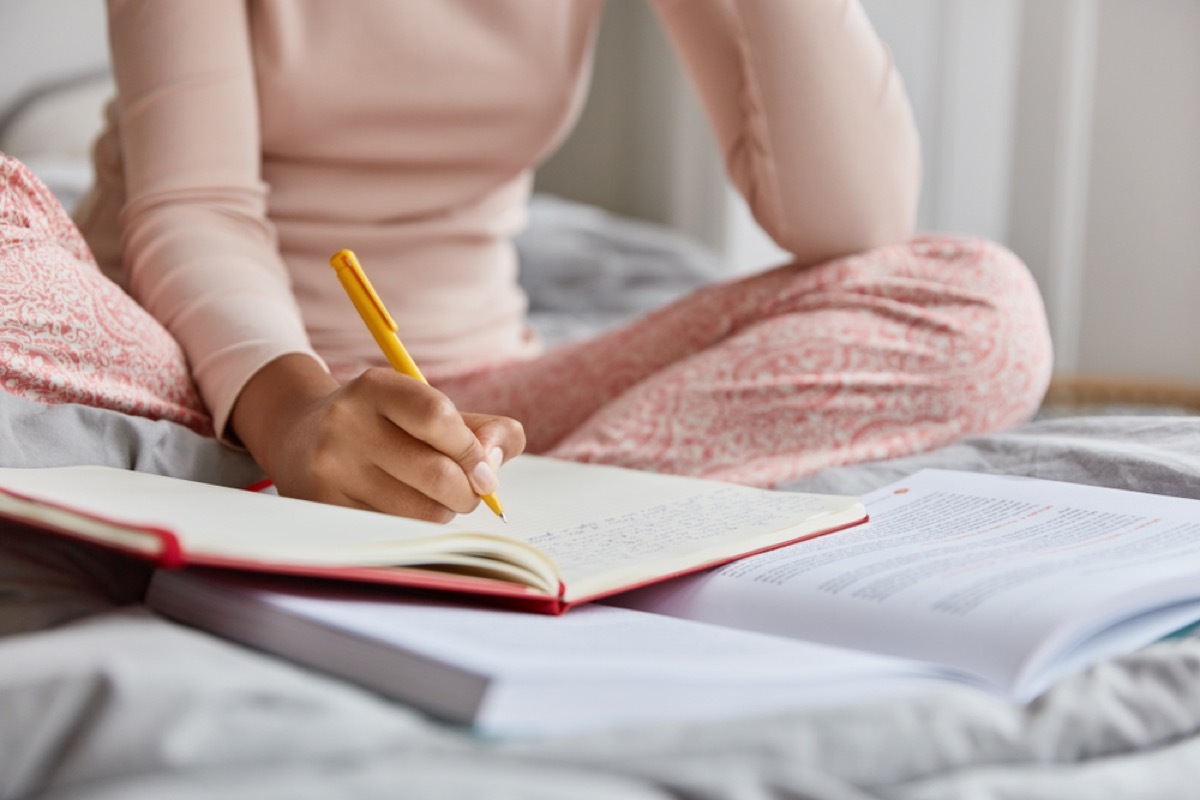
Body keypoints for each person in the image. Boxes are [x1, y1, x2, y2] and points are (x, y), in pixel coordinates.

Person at [76, 0, 1053, 522]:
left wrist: (467, 456)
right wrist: (294, 416)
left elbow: (850, 216)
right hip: (216, 378)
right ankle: (498, 517)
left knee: (981, 309)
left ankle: (545, 518)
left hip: (486, 405)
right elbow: (196, 207)